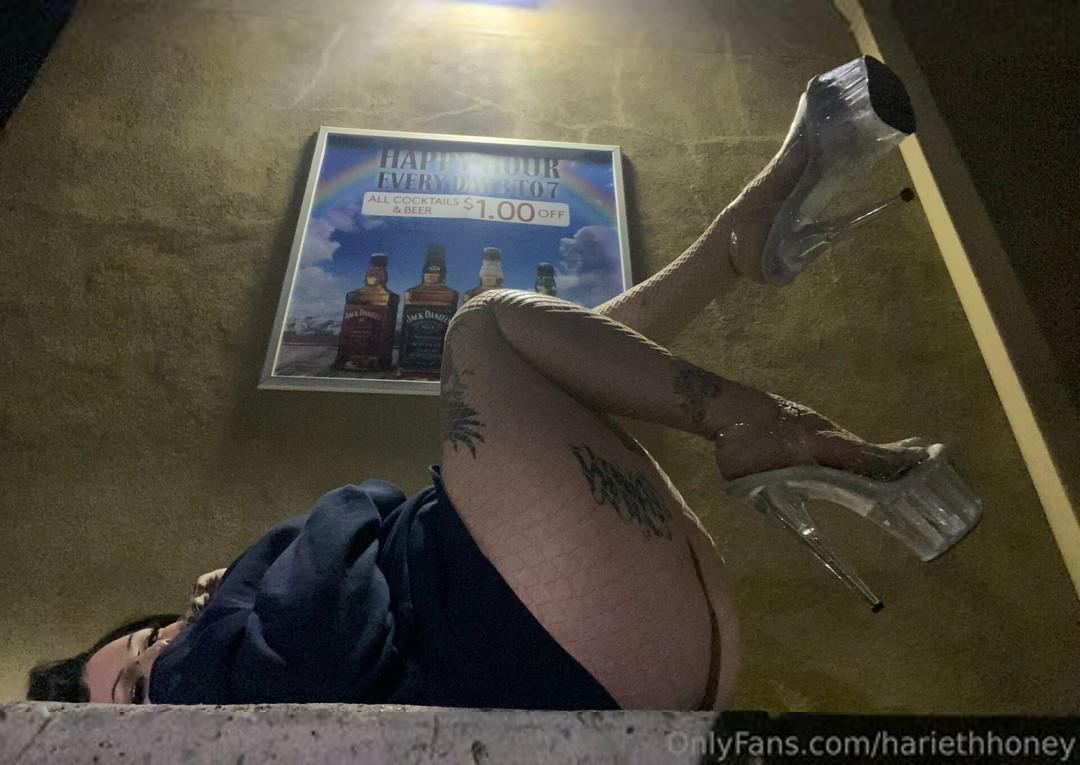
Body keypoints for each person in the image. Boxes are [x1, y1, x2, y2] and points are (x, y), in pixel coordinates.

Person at [27, 55, 979, 711]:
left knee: (551, 370)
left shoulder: (228, 644)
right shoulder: (205, 682)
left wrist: (245, 591)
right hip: (536, 629)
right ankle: (763, 412)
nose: (166, 647)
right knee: (486, 330)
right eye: (134, 686)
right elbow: (344, 560)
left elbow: (358, 557)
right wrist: (240, 584)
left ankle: (735, 244)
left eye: (150, 638)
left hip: (632, 642)